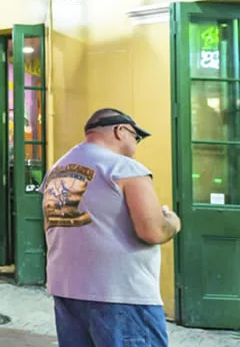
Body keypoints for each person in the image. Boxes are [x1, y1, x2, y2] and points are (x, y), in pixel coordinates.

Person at [42, 108, 180, 347]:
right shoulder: (124, 168)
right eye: (136, 138)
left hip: (67, 290)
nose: (136, 145)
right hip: (121, 294)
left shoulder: (57, 171)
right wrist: (172, 221)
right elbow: (153, 231)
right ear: (120, 131)